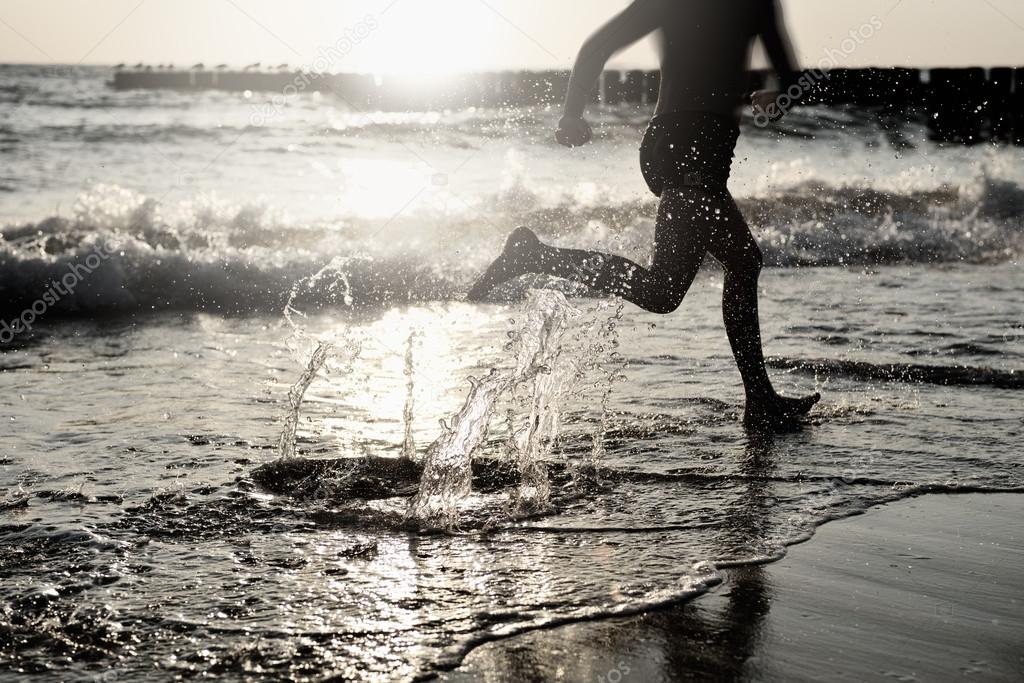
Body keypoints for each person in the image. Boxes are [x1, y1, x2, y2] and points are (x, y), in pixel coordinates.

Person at [467, 0, 821, 430]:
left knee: (700, 278)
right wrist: (570, 112)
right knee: (696, 278)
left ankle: (760, 398)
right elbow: (791, 78)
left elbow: (598, 46)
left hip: (681, 145)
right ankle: (534, 257)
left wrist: (573, 112)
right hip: (689, 147)